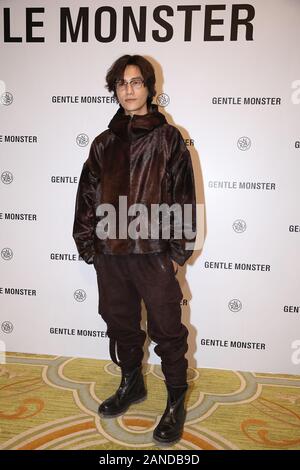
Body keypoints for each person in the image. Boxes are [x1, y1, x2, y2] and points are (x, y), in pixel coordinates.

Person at [73, 54, 197, 445]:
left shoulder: (169, 138)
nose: (128, 89)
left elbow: (184, 197)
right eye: (121, 83)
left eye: (136, 82)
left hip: (153, 254)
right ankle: (132, 385)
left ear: (149, 87)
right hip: (111, 255)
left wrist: (175, 252)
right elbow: (86, 198)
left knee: (167, 331)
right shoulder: (103, 143)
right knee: (121, 325)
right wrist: (89, 247)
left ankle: (176, 399)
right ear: (115, 90)